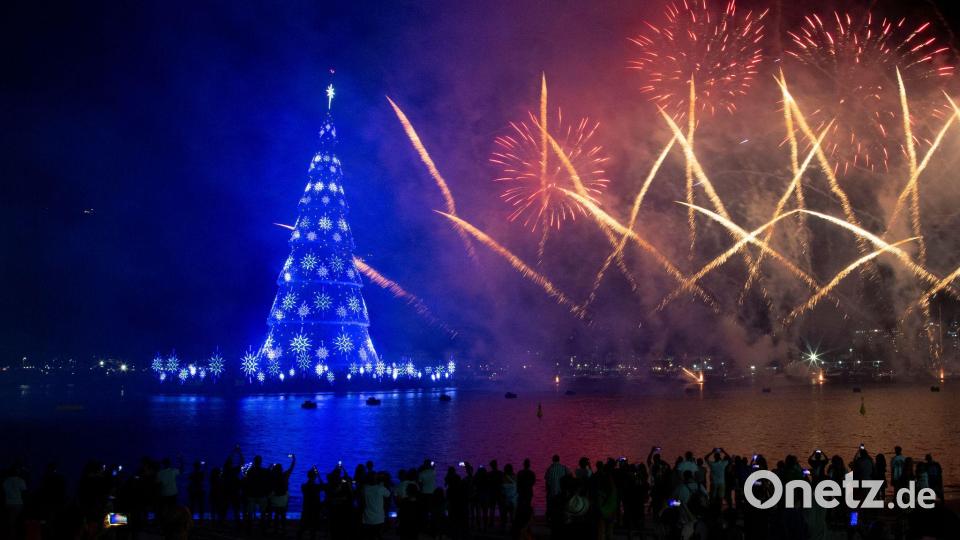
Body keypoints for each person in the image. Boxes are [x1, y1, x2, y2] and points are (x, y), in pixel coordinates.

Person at [268, 453, 296, 533]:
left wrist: (271, 467)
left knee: (276, 514)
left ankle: (275, 529)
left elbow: (268, 472)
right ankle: (283, 529)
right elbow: (292, 467)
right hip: (284, 498)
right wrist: (294, 458)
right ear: (281, 469)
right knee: (283, 514)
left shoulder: (272, 476)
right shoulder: (285, 475)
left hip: (275, 498)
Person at [361, 472, 391, 539]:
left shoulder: (365, 488)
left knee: (369, 536)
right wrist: (382, 485)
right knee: (379, 535)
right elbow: (388, 494)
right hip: (379, 518)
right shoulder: (380, 488)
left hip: (367, 517)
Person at [298, 467, 323, 540]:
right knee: (313, 528)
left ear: (308, 476)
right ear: (315, 477)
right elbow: (323, 486)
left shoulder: (304, 486)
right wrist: (318, 475)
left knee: (303, 526)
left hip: (306, 507)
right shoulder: (317, 487)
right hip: (315, 508)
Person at [3, 466, 27, 538]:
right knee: (16, 521)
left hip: (8, 503)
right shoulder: (20, 480)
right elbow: (24, 493)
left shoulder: (5, 481)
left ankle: (11, 535)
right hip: (18, 503)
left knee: (10, 521)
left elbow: (3, 493)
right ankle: (14, 535)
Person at [544, 455, 569, 522]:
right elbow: (569, 476)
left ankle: (549, 519)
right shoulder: (564, 468)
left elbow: (547, 481)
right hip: (561, 492)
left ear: (553, 460)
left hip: (552, 492)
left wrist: (547, 491)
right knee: (560, 507)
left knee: (550, 507)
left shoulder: (549, 469)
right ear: (559, 460)